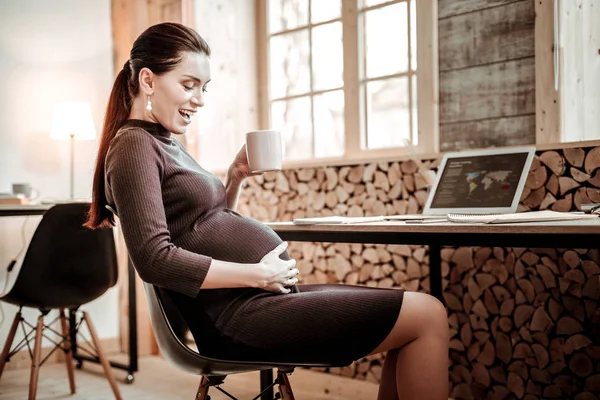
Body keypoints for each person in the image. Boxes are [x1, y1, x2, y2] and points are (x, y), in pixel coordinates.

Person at [85, 22, 449, 400]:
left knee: (414, 318)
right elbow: (154, 259)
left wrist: (236, 177)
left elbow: (201, 225)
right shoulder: (134, 147)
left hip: (257, 302)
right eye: (188, 84)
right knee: (426, 315)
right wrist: (255, 275)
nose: (200, 99)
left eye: (204, 88)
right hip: (236, 318)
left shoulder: (163, 141)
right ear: (148, 80)